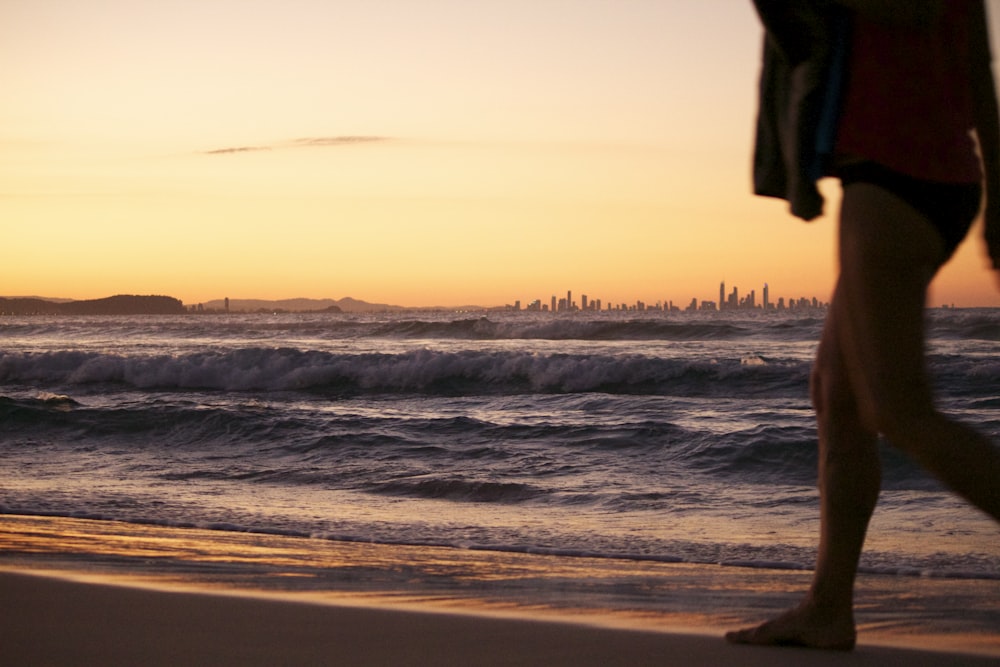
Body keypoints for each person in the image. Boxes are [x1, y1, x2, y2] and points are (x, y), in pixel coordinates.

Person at [727, 0, 1000, 651]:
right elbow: (978, 65)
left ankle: (828, 605)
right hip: (918, 174)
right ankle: (828, 607)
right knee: (838, 395)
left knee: (898, 409)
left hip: (897, 174)